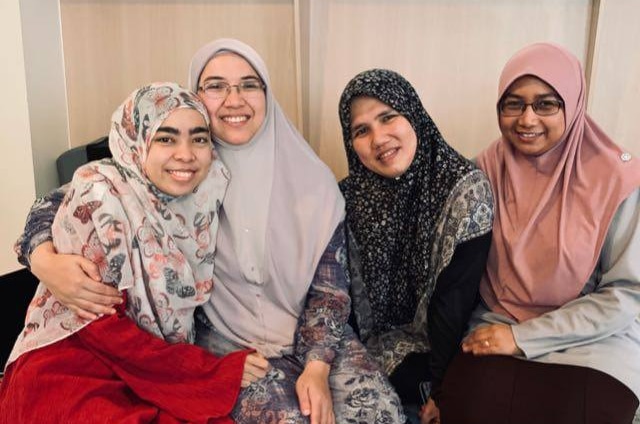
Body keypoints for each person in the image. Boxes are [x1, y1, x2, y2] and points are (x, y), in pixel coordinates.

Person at [13, 39, 404, 423]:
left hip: (314, 336)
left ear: (267, 94)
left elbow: (330, 291)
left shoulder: (306, 181)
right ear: (196, 96)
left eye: (250, 84)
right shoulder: (177, 172)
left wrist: (316, 367)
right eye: (216, 86)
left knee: (378, 412)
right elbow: (66, 203)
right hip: (221, 339)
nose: (234, 100)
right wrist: (42, 257)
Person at [0, 82, 253, 423]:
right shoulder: (100, 195)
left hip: (147, 364)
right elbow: (103, 329)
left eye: (199, 138)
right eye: (165, 138)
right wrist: (212, 372)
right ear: (136, 140)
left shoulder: (207, 192)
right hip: (73, 365)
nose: (186, 153)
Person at [438, 42, 640, 424]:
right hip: (498, 324)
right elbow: (457, 276)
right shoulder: (481, 173)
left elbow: (626, 294)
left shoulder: (619, 180)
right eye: (513, 103)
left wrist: (525, 339)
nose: (526, 119)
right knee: (468, 409)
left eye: (546, 104)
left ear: (573, 104)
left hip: (595, 342)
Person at [337, 69, 494, 423]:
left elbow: (452, 304)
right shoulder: (345, 198)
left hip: (445, 345)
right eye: (362, 130)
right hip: (367, 347)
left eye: (388, 117)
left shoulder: (465, 192)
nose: (378, 138)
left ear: (414, 114)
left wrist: (442, 391)